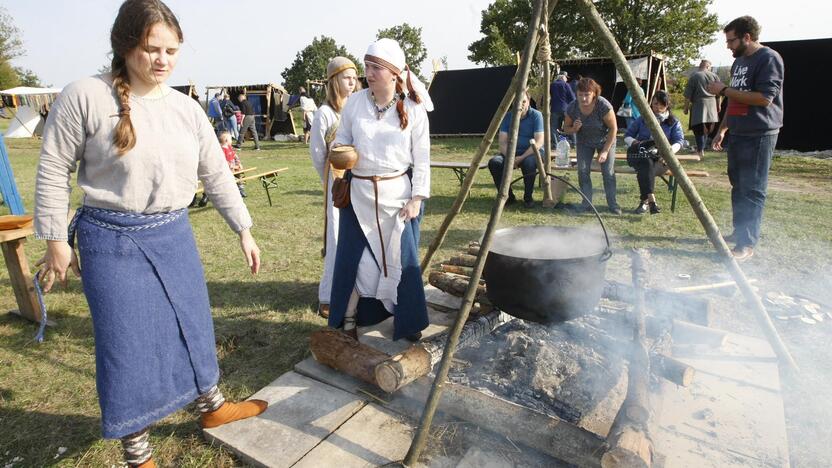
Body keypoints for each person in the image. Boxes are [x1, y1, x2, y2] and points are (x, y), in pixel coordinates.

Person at [32, 2, 267, 467]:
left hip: (173, 234)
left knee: (194, 327)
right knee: (128, 346)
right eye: (151, 48)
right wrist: (56, 239)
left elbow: (216, 173)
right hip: (111, 242)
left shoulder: (186, 108)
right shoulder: (85, 95)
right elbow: (54, 166)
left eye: (171, 51)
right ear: (125, 45)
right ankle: (138, 453)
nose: (162, 60)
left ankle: (212, 407)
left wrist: (243, 228)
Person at [329, 38, 433, 342]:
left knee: (402, 261)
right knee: (354, 260)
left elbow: (422, 158)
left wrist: (416, 198)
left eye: (376, 68)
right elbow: (342, 140)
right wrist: (340, 151)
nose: (368, 73)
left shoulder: (413, 109)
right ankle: (349, 321)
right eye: (367, 66)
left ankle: (409, 322)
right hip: (358, 196)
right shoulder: (355, 102)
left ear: (393, 73)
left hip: (397, 198)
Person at [709, 15, 784, 262]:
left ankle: (746, 244)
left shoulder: (768, 58)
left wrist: (723, 90)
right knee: (738, 185)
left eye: (731, 40)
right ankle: (740, 232)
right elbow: (735, 99)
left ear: (747, 37)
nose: (728, 46)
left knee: (752, 189)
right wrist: (722, 129)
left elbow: (764, 98)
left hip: (759, 134)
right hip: (738, 133)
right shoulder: (739, 62)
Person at [309, 57, 360, 319]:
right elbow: (317, 153)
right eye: (346, 77)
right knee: (337, 236)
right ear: (334, 81)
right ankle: (327, 296)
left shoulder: (359, 107)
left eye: (354, 77)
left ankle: (357, 290)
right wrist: (329, 181)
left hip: (360, 180)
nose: (352, 82)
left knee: (358, 236)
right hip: (337, 183)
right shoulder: (325, 113)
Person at [563, 77, 621, 214]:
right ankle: (586, 203)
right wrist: (574, 129)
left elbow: (614, 129)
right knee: (582, 170)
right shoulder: (572, 107)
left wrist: (605, 151)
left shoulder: (603, 105)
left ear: (594, 93)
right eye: (580, 95)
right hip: (584, 142)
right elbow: (566, 128)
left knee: (607, 172)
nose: (583, 98)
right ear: (576, 94)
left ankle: (613, 204)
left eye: (587, 94)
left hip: (605, 141)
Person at [624, 90, 684, 214]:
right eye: (655, 104)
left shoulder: (673, 122)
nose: (657, 107)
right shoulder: (642, 118)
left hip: (661, 159)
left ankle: (645, 201)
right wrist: (635, 142)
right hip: (640, 154)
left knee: (645, 167)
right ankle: (650, 201)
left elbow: (679, 141)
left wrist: (668, 152)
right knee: (645, 162)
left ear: (667, 105)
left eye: (661, 104)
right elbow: (627, 135)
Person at [487, 90, 544, 208]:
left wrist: (520, 158)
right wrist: (511, 157)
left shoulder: (536, 115)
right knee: (494, 162)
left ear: (528, 102)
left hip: (531, 153)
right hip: (510, 153)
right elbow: (502, 142)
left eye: (524, 101)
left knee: (529, 163)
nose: (521, 105)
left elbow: (539, 142)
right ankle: (507, 196)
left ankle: (528, 198)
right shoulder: (508, 117)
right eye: (517, 102)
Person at [684, 60, 721, 157]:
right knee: (707, 129)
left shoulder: (695, 76)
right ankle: (701, 149)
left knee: (698, 128)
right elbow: (719, 94)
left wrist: (686, 108)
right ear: (708, 67)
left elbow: (688, 95)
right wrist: (719, 105)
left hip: (699, 104)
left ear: (700, 66)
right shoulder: (715, 76)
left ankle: (700, 151)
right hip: (712, 104)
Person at [549, 71, 575, 146]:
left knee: (553, 127)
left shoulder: (552, 85)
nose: (567, 79)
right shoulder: (566, 85)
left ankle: (555, 143)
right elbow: (572, 98)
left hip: (554, 109)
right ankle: (574, 143)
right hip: (565, 109)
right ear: (563, 77)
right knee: (569, 126)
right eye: (566, 78)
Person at [220, 130, 246, 198]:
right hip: (227, 169)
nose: (231, 141)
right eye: (230, 139)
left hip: (235, 168)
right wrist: (232, 167)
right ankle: (231, 192)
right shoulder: (222, 150)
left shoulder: (229, 147)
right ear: (226, 140)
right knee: (231, 179)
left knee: (239, 175)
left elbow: (235, 156)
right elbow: (224, 161)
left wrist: (239, 163)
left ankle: (241, 189)